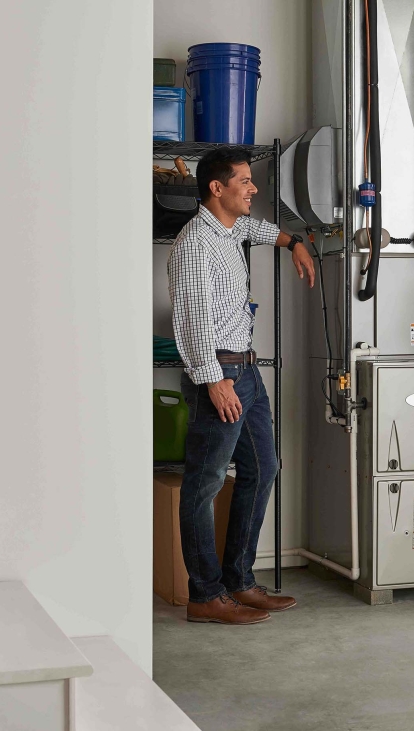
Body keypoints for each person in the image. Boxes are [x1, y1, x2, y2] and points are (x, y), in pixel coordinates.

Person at [168, 147, 315, 625]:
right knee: (205, 484)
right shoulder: (195, 244)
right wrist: (214, 382)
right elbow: (193, 322)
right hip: (220, 375)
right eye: (245, 181)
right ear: (217, 188)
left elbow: (257, 229)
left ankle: (239, 581)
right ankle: (205, 595)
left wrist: (294, 242)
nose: (253, 189)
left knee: (263, 468)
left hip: (246, 371)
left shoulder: (230, 229)